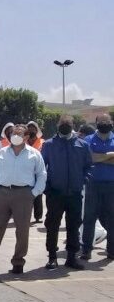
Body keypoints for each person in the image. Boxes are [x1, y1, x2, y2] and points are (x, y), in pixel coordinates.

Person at [0, 124, 46, 274]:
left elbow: (41, 174)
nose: (15, 136)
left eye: (19, 134)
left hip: (24, 194)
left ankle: (18, 262)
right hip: (2, 193)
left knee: (22, 230)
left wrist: (34, 193)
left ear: (26, 137)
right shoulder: (2, 152)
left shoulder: (34, 154)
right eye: (14, 133)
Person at [41, 115, 91, 270]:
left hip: (75, 193)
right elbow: (42, 168)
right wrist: (47, 188)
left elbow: (89, 167)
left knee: (74, 226)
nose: (65, 127)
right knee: (52, 225)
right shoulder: (49, 145)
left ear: (72, 126)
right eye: (62, 125)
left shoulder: (82, 145)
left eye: (67, 125)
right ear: (58, 127)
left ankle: (71, 258)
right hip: (55, 193)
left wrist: (83, 180)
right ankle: (52, 257)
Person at [81, 114, 114, 260]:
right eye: (102, 121)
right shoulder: (88, 140)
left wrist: (99, 157)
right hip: (92, 184)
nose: (105, 123)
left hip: (111, 185)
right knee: (89, 218)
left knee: (112, 218)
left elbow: (95, 158)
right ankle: (86, 249)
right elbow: (90, 158)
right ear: (96, 123)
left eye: (107, 121)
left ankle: (112, 250)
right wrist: (110, 155)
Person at [26, 121, 45, 223]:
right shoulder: (23, 142)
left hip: (38, 171)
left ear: (37, 130)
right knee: (26, 195)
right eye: (29, 129)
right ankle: (26, 215)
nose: (31, 130)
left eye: (33, 129)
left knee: (38, 194)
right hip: (26, 171)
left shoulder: (42, 142)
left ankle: (38, 217)